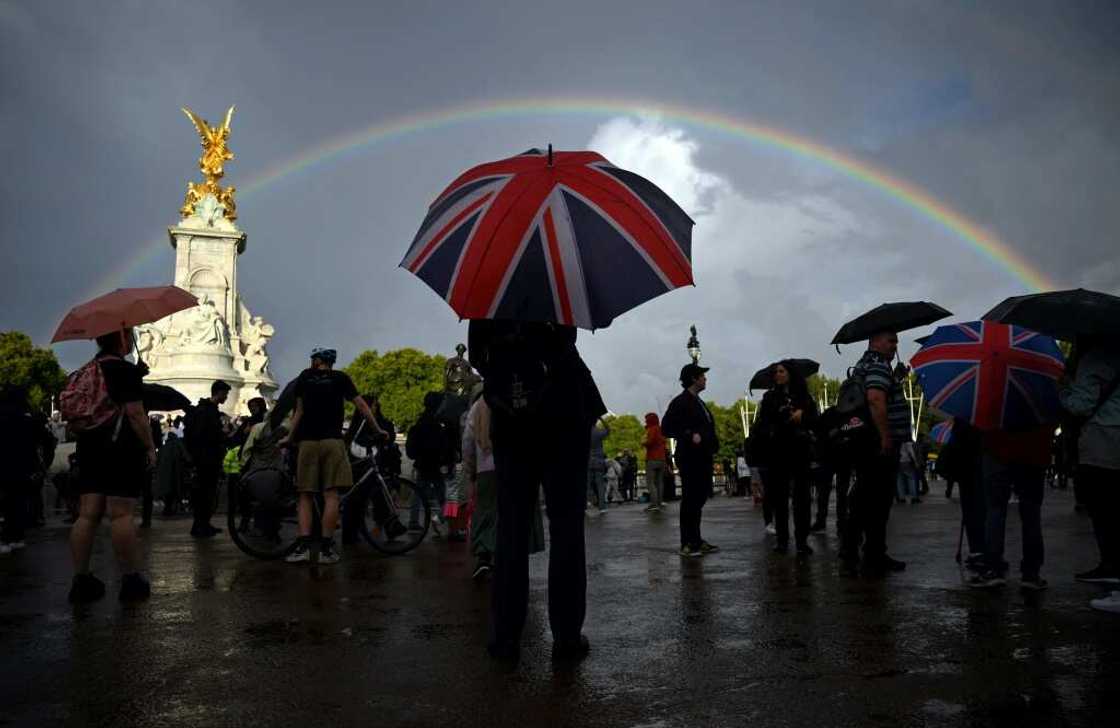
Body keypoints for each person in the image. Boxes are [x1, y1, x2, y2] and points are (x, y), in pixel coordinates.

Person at [469, 319, 606, 663]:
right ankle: (566, 637)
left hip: (510, 415)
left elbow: (477, 356)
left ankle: (504, 638)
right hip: (562, 412)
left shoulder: (491, 291)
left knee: (510, 529)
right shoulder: (560, 277)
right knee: (566, 529)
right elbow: (567, 339)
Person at [67, 329, 155, 602]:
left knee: (87, 514)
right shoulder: (124, 371)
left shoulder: (88, 369)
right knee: (121, 514)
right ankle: (130, 580)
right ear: (122, 340)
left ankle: (81, 580)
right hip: (121, 449)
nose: (131, 341)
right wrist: (150, 446)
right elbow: (136, 413)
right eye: (129, 336)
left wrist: (136, 374)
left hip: (90, 448)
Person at [282, 347, 387, 564]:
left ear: (317, 360)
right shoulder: (341, 378)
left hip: (308, 441)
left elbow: (298, 412)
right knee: (331, 495)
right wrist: (377, 429)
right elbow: (361, 406)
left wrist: (289, 438)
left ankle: (302, 546)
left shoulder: (305, 377)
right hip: (332, 441)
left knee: (305, 495)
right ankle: (326, 549)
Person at [839, 330, 910, 578]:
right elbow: (876, 400)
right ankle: (874, 554)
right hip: (877, 443)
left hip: (863, 441)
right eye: (891, 340)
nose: (895, 345)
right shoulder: (879, 364)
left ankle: (851, 548)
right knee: (879, 500)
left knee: (864, 496)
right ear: (875, 341)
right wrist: (885, 436)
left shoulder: (865, 363)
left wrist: (897, 377)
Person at [1059, 337, 1120, 609]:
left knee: (1104, 508)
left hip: (1103, 440)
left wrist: (1063, 391)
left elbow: (1080, 405)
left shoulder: (1094, 358)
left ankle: (1113, 568)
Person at [968, 425, 1054, 591]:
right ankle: (1031, 573)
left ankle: (994, 568)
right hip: (1033, 448)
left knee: (995, 511)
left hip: (997, 447)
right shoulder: (1039, 399)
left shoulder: (994, 398)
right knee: (1031, 514)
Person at [754, 361, 819, 555]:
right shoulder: (770, 397)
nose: (778, 375)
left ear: (790, 373)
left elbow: (815, 421)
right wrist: (778, 421)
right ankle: (782, 540)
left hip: (800, 450)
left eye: (782, 371)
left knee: (802, 498)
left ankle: (801, 540)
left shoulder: (804, 397)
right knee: (779, 498)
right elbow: (762, 425)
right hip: (778, 452)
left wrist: (803, 416)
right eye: (775, 372)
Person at [661, 363, 719, 558]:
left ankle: (696, 538)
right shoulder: (680, 402)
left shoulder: (698, 401)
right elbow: (666, 428)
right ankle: (687, 542)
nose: (705, 379)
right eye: (702, 376)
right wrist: (689, 434)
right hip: (690, 457)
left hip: (702, 456)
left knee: (699, 497)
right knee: (691, 499)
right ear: (694, 378)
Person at [184, 380, 231, 538]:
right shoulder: (206, 411)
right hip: (206, 458)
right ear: (219, 392)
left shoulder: (208, 410)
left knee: (207, 493)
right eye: (226, 394)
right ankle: (200, 526)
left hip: (207, 457)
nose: (226, 397)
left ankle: (203, 524)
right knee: (204, 493)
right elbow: (203, 435)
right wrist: (221, 433)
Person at [0, 386, 41, 554]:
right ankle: (16, 537)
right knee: (17, 502)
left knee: (3, 503)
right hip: (21, 467)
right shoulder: (27, 419)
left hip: (2, 465)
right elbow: (34, 445)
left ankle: (4, 538)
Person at [406, 391, 453, 533]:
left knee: (418, 494)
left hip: (422, 464)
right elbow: (443, 446)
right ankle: (441, 519)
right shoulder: (440, 424)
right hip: (436, 466)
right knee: (445, 496)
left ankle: (414, 521)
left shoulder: (420, 423)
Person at [642, 413, 667, 513]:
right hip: (662, 459)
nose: (645, 421)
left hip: (652, 458)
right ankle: (660, 502)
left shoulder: (652, 429)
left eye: (646, 420)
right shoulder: (661, 429)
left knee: (651, 482)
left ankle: (654, 504)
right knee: (659, 482)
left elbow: (650, 442)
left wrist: (643, 443)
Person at [588, 419, 610, 513]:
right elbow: (608, 429)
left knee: (587, 484)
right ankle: (602, 507)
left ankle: (589, 502)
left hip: (588, 461)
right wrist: (602, 419)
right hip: (599, 461)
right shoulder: (599, 432)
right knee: (600, 485)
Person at [896, 439, 921, 505]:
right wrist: (916, 462)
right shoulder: (906, 439)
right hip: (906, 461)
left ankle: (901, 497)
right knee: (911, 479)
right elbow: (911, 451)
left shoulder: (895, 439)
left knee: (899, 480)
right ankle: (914, 497)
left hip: (897, 461)